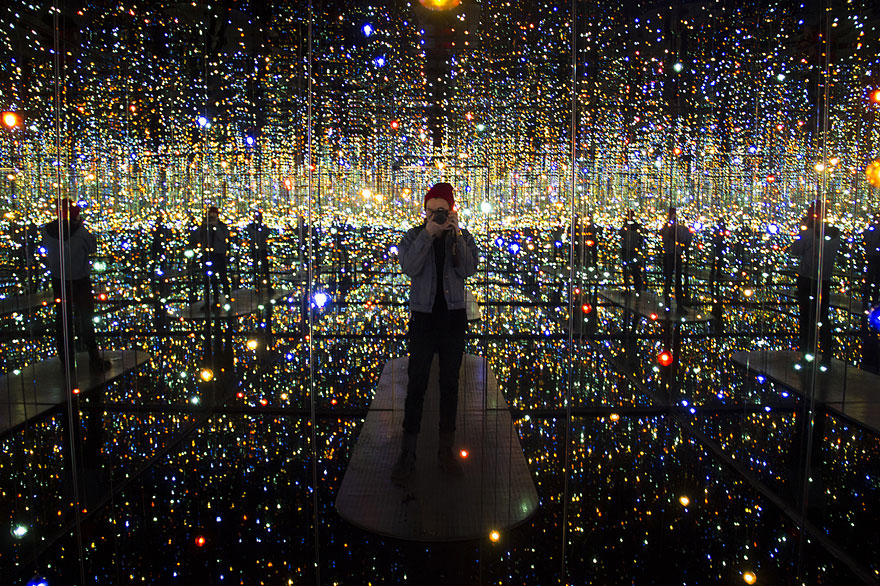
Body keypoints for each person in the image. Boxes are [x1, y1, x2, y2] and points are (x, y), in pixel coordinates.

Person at [391, 182, 479, 485]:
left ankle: (446, 450)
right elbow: (409, 268)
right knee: (417, 382)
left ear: (452, 210)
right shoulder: (414, 235)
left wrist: (456, 234)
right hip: (424, 318)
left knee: (449, 384)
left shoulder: (461, 236)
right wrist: (428, 235)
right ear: (424, 211)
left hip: (453, 319)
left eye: (442, 211)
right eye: (432, 211)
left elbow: (468, 269)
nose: (437, 216)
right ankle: (408, 453)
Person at [42, 199, 110, 371]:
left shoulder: (48, 230)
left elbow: (46, 251)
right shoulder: (80, 231)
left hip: (58, 278)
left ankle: (66, 358)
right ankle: (94, 358)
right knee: (86, 317)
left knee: (62, 318)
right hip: (80, 279)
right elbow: (92, 247)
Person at [788, 200, 840, 365]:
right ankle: (826, 354)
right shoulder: (835, 235)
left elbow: (794, 251)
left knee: (806, 318)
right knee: (823, 317)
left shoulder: (810, 234)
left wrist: (802, 231)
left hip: (807, 280)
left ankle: (806, 352)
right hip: (824, 281)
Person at [189, 205, 231, 309]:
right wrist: (203, 226)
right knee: (208, 278)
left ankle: (226, 297)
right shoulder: (204, 227)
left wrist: (216, 227)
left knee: (222, 276)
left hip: (219, 254)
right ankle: (209, 301)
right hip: (207, 255)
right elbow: (197, 237)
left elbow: (223, 238)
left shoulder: (222, 226)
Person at [659, 206, 693, 313]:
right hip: (670, 255)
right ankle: (669, 306)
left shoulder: (678, 228)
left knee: (675, 280)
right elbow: (664, 238)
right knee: (669, 280)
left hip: (674, 255)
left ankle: (676, 305)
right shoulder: (666, 228)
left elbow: (685, 238)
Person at [245, 211, 272, 295]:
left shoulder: (252, 227)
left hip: (258, 249)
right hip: (260, 249)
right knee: (263, 269)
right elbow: (266, 234)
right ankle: (265, 287)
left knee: (259, 269)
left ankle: (259, 287)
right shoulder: (261, 228)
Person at [619, 210, 645, 295]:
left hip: (629, 250)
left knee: (631, 270)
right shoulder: (634, 226)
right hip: (632, 250)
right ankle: (635, 289)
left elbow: (621, 234)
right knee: (634, 270)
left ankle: (631, 289)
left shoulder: (631, 226)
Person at [862, 212, 880, 309]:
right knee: (875, 276)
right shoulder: (871, 229)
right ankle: (873, 294)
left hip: (871, 254)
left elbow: (867, 240)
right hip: (874, 255)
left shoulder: (870, 229)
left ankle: (868, 292)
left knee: (871, 275)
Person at [709, 220, 729, 297]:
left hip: (719, 245)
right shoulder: (718, 230)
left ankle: (716, 272)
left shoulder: (718, 230)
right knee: (718, 259)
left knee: (719, 259)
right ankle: (714, 272)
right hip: (718, 245)